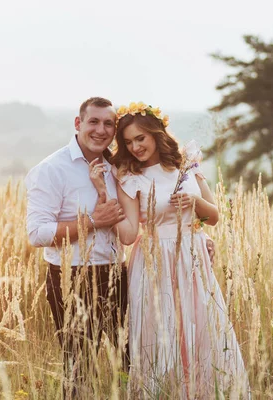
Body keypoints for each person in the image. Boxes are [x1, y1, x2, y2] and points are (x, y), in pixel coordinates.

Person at [88, 101, 249, 398]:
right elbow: (128, 235)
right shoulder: (129, 177)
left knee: (200, 330)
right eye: (128, 142)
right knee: (162, 337)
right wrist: (102, 194)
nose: (135, 147)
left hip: (193, 257)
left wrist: (195, 204)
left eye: (141, 138)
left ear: (155, 133)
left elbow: (213, 216)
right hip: (154, 262)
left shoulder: (186, 165)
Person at [25, 97, 129, 397]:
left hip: (117, 275)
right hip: (71, 279)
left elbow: (143, 215)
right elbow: (37, 233)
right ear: (78, 124)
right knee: (79, 369)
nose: (101, 130)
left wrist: (195, 237)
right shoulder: (51, 169)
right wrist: (92, 221)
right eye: (93, 122)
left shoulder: (118, 168)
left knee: (130, 361)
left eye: (109, 123)